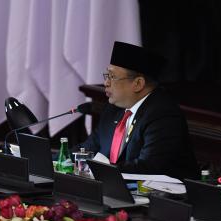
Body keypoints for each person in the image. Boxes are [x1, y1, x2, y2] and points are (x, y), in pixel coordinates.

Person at [76, 41, 199, 179]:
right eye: (107, 75)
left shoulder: (163, 114)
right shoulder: (114, 109)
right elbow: (88, 148)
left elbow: (148, 166)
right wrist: (55, 160)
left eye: (112, 77)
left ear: (138, 84)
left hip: (164, 195)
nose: (106, 83)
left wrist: (97, 170)